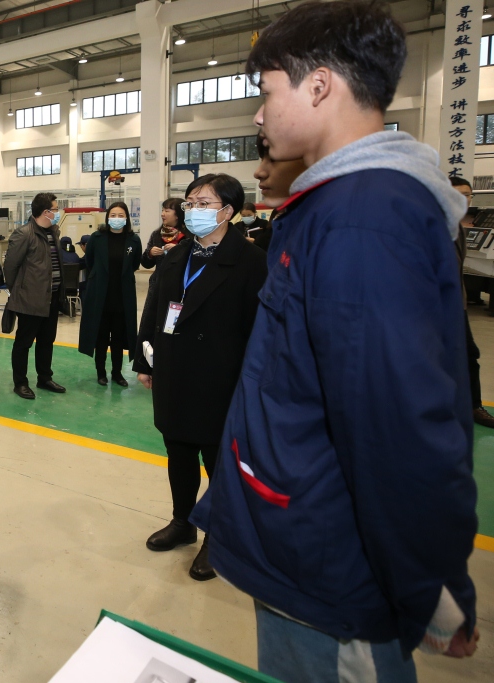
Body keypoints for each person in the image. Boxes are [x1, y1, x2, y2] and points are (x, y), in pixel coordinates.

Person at [192, 3, 480, 679]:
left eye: (267, 93)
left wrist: (429, 588)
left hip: (331, 567)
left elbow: (396, 426)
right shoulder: (333, 208)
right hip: (303, 540)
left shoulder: (361, 221)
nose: (258, 116)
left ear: (319, 86)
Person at [133, 174, 266, 582]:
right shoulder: (177, 256)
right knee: (178, 452)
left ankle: (217, 535)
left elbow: (260, 329)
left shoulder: (251, 261)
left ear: (228, 211)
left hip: (220, 377)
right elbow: (155, 309)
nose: (193, 211)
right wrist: (144, 360)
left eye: (204, 203)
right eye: (190, 203)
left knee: (218, 461)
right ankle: (183, 521)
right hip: (174, 370)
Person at [5, 192, 67, 400]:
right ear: (45, 212)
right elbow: (10, 267)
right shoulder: (24, 234)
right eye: (55, 209)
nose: (57, 213)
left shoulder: (54, 232)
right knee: (24, 343)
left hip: (52, 297)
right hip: (30, 299)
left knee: (47, 341)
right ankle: (20, 383)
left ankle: (45, 378)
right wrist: (21, 290)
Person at [78, 203, 142, 386]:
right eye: (113, 215)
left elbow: (135, 264)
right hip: (101, 296)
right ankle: (101, 372)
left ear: (126, 218)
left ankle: (117, 373)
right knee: (101, 337)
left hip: (122, 297)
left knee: (119, 338)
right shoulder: (97, 238)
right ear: (107, 218)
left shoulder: (133, 240)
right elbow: (89, 261)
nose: (116, 218)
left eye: (120, 215)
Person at [450, 177, 494, 429]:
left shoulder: (457, 227)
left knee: (468, 355)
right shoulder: (435, 226)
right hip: (439, 308)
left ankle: (472, 405)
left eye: (467, 195)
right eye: (457, 194)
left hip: (458, 305)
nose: (463, 199)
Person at [140, 198, 186, 272]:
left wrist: (178, 250)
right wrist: (150, 253)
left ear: (178, 215)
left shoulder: (189, 234)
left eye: (166, 211)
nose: (162, 214)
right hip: (160, 278)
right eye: (162, 210)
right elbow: (146, 264)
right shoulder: (156, 234)